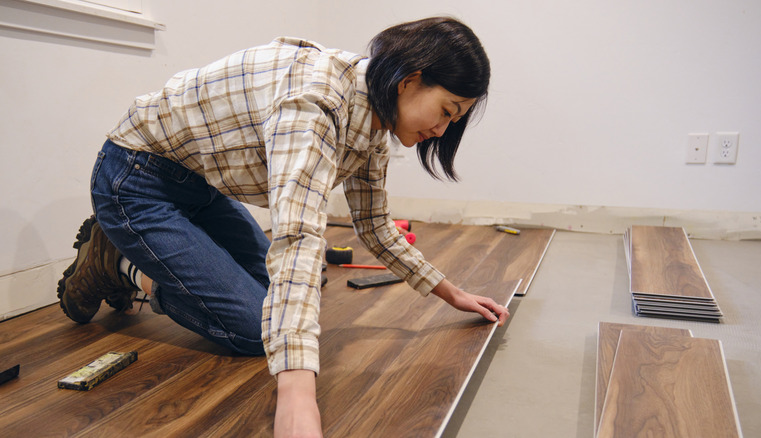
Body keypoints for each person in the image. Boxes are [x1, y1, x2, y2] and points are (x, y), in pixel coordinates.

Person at [57, 16, 508, 437]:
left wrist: (450, 292)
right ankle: (120, 264)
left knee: (279, 296)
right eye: (447, 110)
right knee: (257, 329)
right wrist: (297, 395)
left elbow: (374, 225)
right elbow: (296, 238)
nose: (444, 128)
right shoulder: (315, 104)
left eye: (455, 118)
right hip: (136, 181)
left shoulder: (372, 119)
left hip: (199, 186)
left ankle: (135, 253)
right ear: (410, 80)